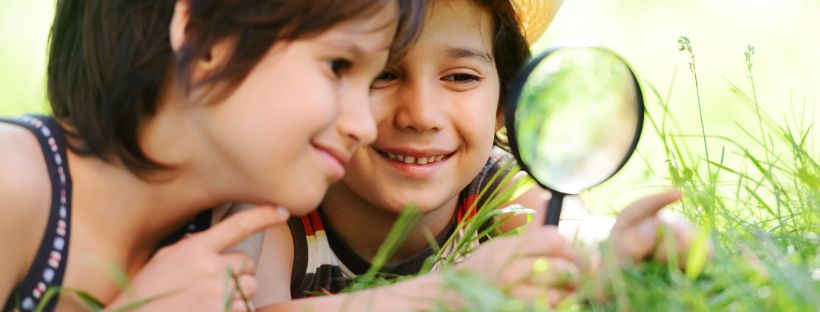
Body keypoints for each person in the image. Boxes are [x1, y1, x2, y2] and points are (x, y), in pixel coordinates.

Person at [245, 0, 702, 310]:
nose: (421, 115)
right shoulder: (275, 204)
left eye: (461, 77)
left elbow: (569, 238)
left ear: (505, 104)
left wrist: (616, 248)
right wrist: (449, 293)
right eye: (382, 74)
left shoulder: (497, 187)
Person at [0, 0, 426, 311]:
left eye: (372, 80)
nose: (365, 125)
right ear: (206, 41)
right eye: (338, 66)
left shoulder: (232, 224)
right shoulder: (15, 180)